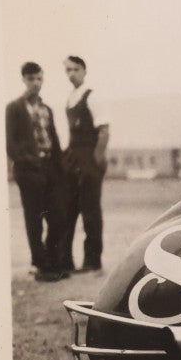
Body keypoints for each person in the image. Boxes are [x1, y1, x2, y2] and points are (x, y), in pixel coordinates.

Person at [4, 61, 68, 281]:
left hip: (50, 168)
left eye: (39, 78)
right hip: (29, 170)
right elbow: (10, 142)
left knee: (58, 217)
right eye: (31, 79)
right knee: (34, 219)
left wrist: (60, 168)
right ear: (23, 79)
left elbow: (54, 139)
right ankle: (40, 266)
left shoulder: (46, 108)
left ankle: (51, 262)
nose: (35, 83)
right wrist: (26, 161)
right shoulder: (14, 108)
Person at [58, 54, 111, 273]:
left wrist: (96, 161)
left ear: (84, 71)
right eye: (68, 70)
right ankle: (66, 261)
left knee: (90, 211)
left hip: (88, 158)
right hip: (72, 158)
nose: (72, 74)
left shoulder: (92, 96)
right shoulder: (71, 97)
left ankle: (92, 261)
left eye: (76, 69)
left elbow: (104, 131)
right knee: (68, 209)